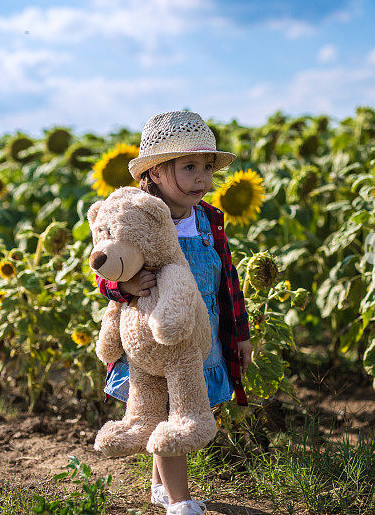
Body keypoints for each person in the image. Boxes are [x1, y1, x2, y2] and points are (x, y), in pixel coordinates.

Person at [94, 111, 252, 515]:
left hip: (203, 331)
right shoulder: (139, 216)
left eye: (206, 168)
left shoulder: (209, 219)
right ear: (158, 172)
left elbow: (227, 279)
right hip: (154, 337)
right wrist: (123, 286)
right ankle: (179, 502)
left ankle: (159, 487)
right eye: (189, 167)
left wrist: (241, 335)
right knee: (170, 411)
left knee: (181, 406)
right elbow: (103, 266)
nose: (202, 178)